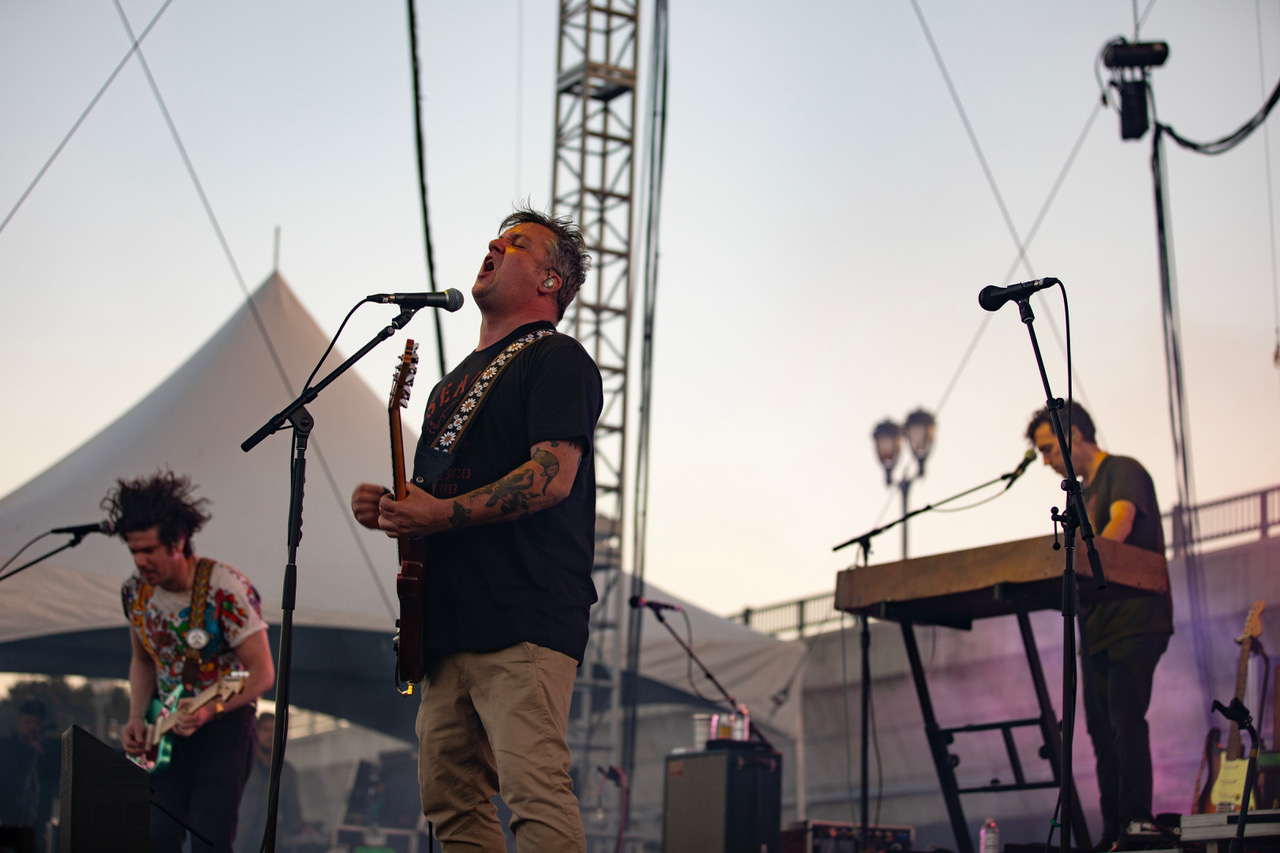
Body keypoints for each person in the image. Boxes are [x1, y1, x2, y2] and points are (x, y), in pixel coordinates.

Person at [351, 206, 602, 852]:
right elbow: (437, 500)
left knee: (534, 791)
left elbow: (551, 475)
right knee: (449, 800)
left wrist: (436, 512)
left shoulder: (557, 359)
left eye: (515, 243)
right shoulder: (445, 390)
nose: (494, 245)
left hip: (524, 614)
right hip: (449, 627)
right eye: (495, 238)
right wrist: (395, 506)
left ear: (550, 281)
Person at [1026, 402, 1173, 850]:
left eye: (1050, 448)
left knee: (1126, 722)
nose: (1048, 461)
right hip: (1096, 629)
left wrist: (1087, 562)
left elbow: (1122, 522)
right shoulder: (1080, 495)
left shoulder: (1122, 470)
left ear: (1073, 434)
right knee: (1098, 735)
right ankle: (1113, 831)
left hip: (1135, 619)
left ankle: (1137, 826)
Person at [106, 471, 275, 853]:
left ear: (178, 542)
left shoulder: (224, 589)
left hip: (224, 724)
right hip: (164, 729)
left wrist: (208, 711)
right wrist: (137, 717)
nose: (140, 561)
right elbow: (143, 660)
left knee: (209, 835)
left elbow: (263, 673)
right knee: (158, 835)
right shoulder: (134, 591)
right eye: (134, 551)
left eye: (148, 550)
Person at [235, 712, 304, 853]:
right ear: (257, 732)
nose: (270, 735)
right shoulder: (242, 764)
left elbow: (292, 810)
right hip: (238, 841)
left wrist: (302, 828)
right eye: (265, 730)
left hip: (271, 843)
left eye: (274, 730)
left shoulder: (286, 771)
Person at [0, 698, 61, 848]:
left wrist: (40, 752)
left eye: (37, 723)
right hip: (8, 820)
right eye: (27, 722)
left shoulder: (49, 749)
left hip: (39, 824)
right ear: (18, 722)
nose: (32, 727)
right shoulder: (6, 747)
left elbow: (55, 773)